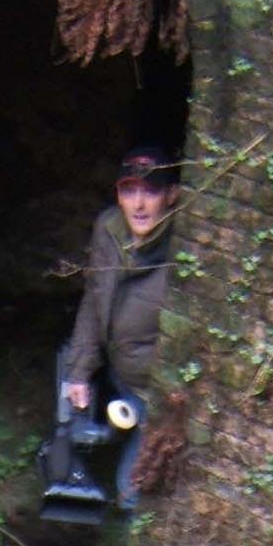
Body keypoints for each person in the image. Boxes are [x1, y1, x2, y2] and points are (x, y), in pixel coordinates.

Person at [57, 144, 181, 512]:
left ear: (172, 196)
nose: (139, 205)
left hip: (154, 394)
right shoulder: (109, 230)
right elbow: (94, 301)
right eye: (130, 191)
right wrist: (79, 372)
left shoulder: (185, 247)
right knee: (70, 418)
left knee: (132, 492)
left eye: (151, 192)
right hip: (119, 374)